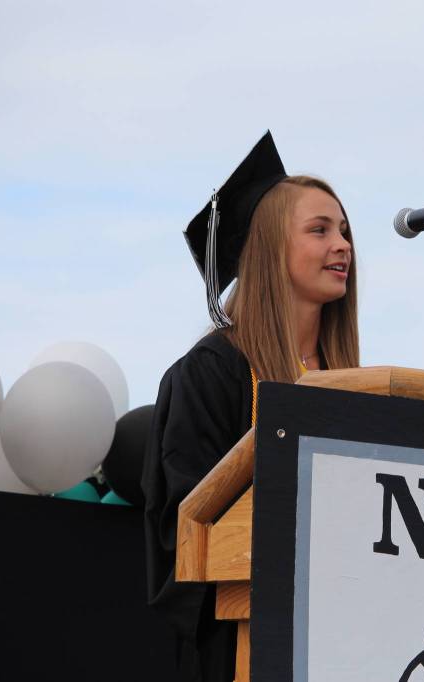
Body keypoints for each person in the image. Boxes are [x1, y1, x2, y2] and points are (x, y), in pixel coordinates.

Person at [141, 131, 359, 681]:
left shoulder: (350, 385)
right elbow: (186, 530)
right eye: (319, 230)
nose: (342, 245)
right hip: (241, 646)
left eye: (344, 231)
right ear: (268, 249)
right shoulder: (211, 373)